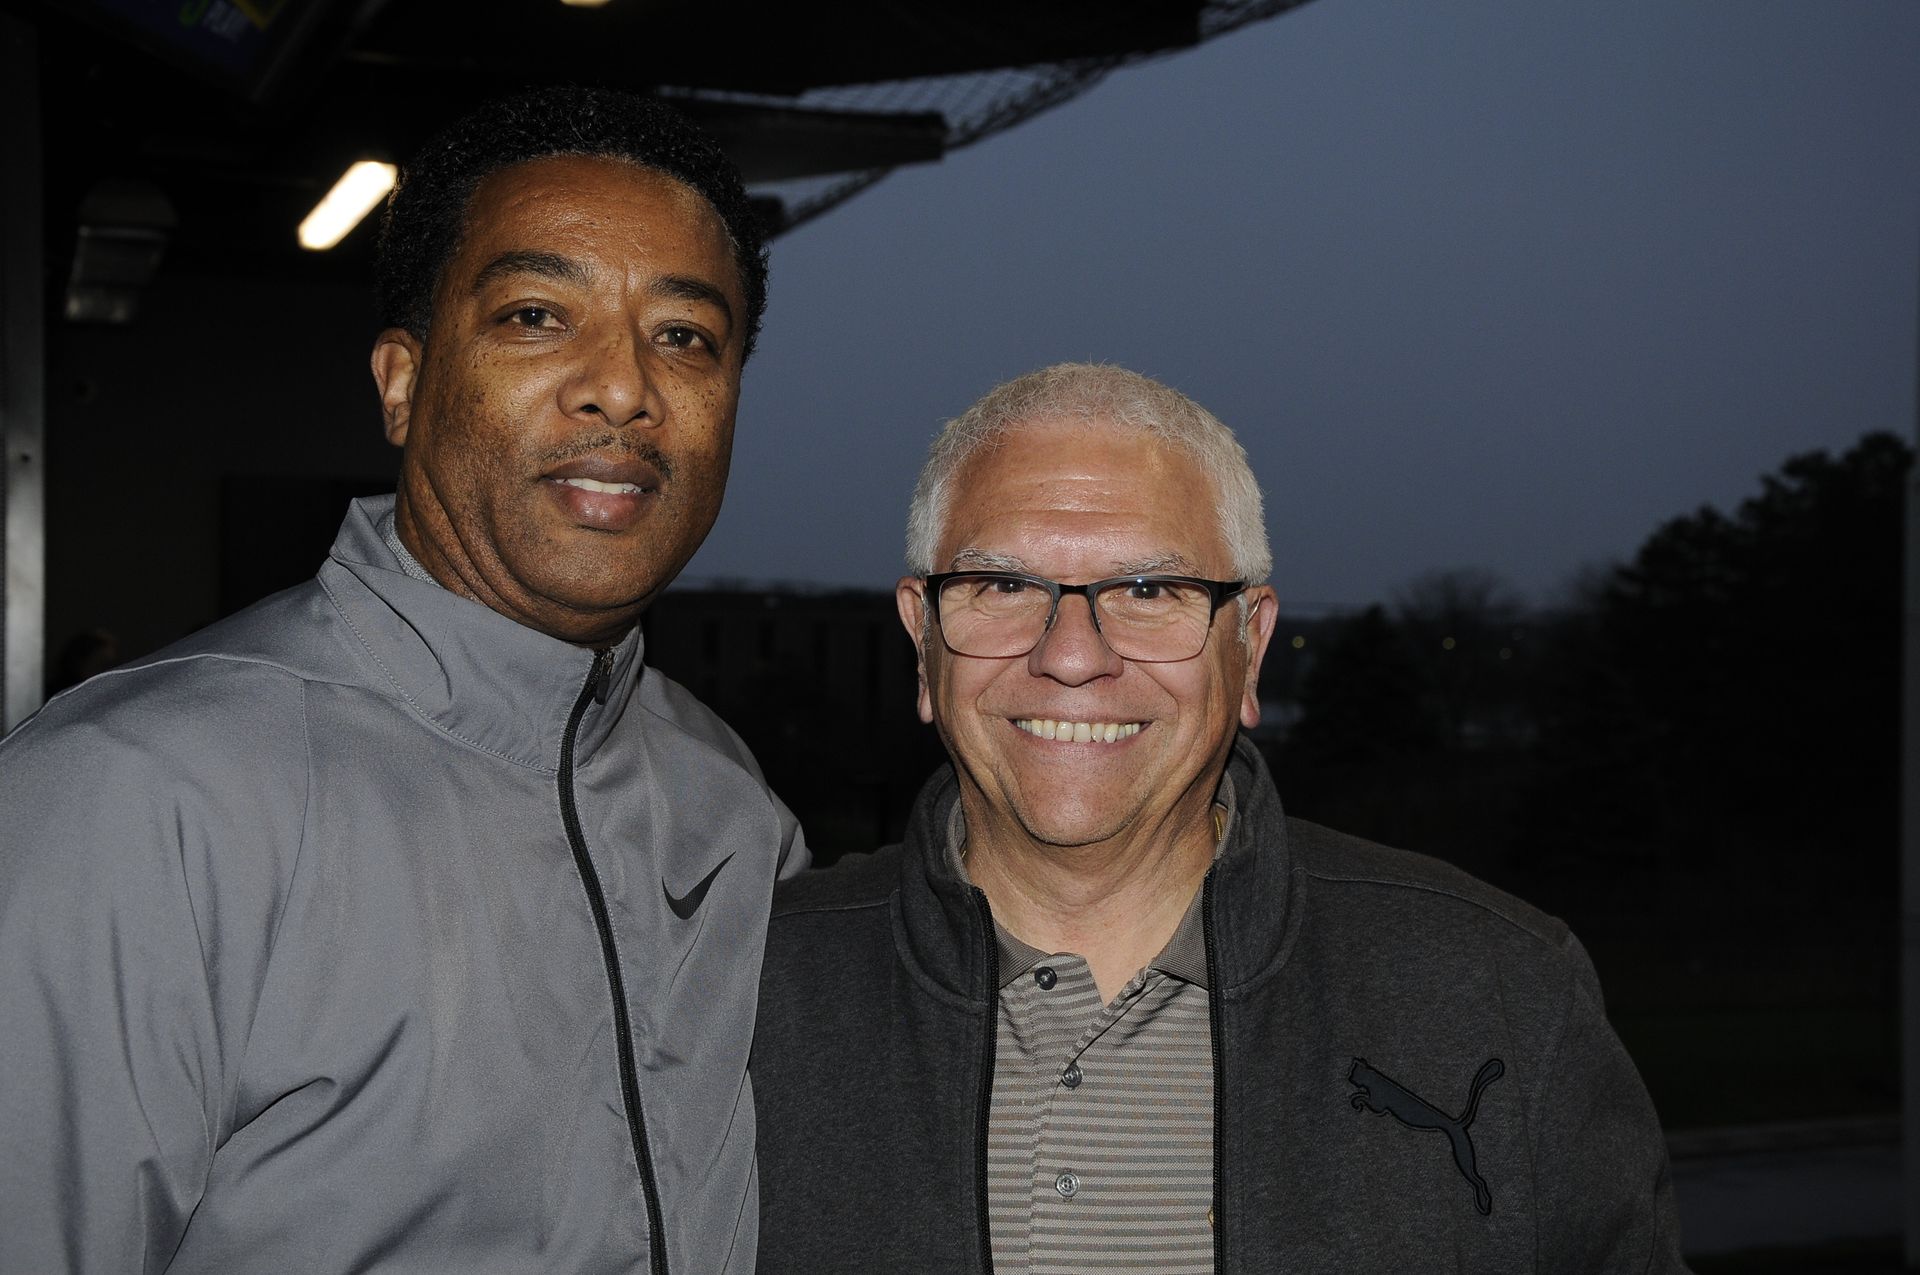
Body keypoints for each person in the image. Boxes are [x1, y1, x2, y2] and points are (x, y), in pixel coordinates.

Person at [0, 87, 806, 1274]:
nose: (625, 388)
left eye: (686, 336)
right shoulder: (134, 797)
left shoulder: (734, 813)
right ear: (400, 382)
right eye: (538, 315)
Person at [752, 363, 1687, 1273]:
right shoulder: (745, 1004)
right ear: (922, 641)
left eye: (1150, 591)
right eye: (1003, 585)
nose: (1072, 656)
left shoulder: (1504, 994)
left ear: (1250, 644)